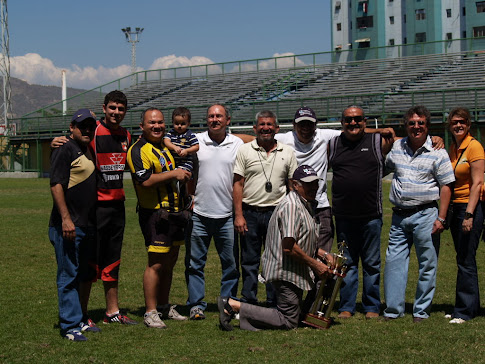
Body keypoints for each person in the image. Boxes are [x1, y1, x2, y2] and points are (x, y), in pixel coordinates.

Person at [52, 90, 137, 326]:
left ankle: (112, 311)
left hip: (117, 207)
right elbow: (74, 144)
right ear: (104, 108)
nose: (116, 113)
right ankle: (82, 313)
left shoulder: (127, 135)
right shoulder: (94, 130)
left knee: (113, 260)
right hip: (94, 208)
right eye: (112, 108)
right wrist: (58, 140)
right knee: (89, 262)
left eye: (121, 109)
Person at [217, 165, 332, 331]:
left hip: (295, 268)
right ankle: (233, 305)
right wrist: (316, 264)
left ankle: (306, 317)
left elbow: (301, 240)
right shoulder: (292, 206)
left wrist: (323, 254)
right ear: (295, 185)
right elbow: (289, 248)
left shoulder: (305, 203)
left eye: (315, 183)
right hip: (285, 270)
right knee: (288, 320)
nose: (314, 187)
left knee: (296, 314)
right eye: (308, 184)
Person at [383, 105, 455, 322]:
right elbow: (385, 167)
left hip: (426, 215)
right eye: (412, 123)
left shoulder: (438, 151)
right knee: (394, 263)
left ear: (427, 126)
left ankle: (421, 311)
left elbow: (446, 186)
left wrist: (441, 217)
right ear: (406, 125)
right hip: (398, 217)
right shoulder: (397, 146)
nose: (416, 127)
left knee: (427, 264)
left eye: (420, 123)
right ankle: (393, 311)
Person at [328, 106, 395, 319]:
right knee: (346, 263)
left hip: (371, 216)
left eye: (357, 119)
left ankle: (371, 306)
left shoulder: (377, 142)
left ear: (365, 122)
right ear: (342, 122)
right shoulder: (333, 144)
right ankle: (346, 306)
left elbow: (404, 139)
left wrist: (436, 140)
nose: (353, 123)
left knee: (371, 264)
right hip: (344, 216)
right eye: (348, 120)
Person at [127, 107, 192, 328]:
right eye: (152, 123)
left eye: (160, 122)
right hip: (155, 213)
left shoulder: (163, 146)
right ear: (142, 126)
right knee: (155, 263)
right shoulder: (138, 149)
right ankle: (150, 311)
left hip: (174, 212)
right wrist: (175, 174)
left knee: (170, 262)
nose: (157, 126)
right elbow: (143, 180)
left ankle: (164, 306)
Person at [233, 110, 297, 306]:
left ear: (277, 128)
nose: (266, 128)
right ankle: (249, 300)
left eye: (270, 125)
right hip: (250, 212)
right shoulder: (245, 150)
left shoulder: (287, 151)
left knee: (275, 259)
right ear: (255, 128)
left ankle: (273, 301)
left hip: (276, 213)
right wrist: (239, 215)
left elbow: (292, 185)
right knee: (249, 260)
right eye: (262, 125)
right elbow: (238, 184)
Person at [185, 104, 243, 320]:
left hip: (227, 215)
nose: (214, 119)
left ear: (227, 120)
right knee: (195, 264)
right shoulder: (196, 141)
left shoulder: (236, 143)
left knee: (230, 265)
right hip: (199, 213)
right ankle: (196, 305)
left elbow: (256, 137)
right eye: (211, 116)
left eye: (219, 116)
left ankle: (227, 303)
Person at [49, 109, 98, 341]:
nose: (87, 130)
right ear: (71, 127)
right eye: (82, 126)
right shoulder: (64, 148)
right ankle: (69, 325)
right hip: (67, 225)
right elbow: (56, 185)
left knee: (79, 273)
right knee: (68, 274)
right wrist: (66, 219)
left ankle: (78, 319)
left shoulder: (87, 149)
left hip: (85, 224)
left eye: (91, 126)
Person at [446, 107, 484, 324]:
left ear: (468, 125)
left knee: (466, 259)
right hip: (456, 207)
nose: (458, 125)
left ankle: (464, 311)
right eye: (454, 122)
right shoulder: (454, 147)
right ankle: (470, 306)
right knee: (463, 258)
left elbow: (477, 183)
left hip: (470, 207)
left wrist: (469, 214)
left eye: (462, 122)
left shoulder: (474, 147)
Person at [163, 107, 199, 172]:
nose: (179, 126)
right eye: (176, 123)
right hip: (173, 161)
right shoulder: (171, 133)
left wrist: (187, 151)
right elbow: (166, 141)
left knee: (181, 173)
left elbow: (196, 147)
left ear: (188, 124)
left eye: (183, 124)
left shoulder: (189, 135)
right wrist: (174, 147)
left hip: (186, 162)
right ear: (172, 122)